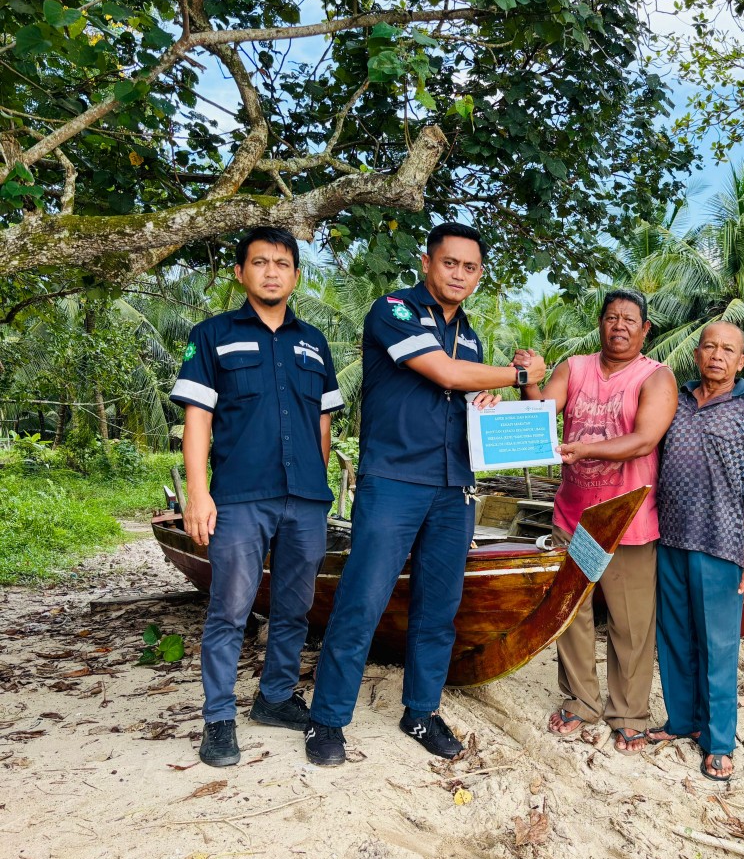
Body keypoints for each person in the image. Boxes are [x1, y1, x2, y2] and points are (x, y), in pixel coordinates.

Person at [305, 222, 546, 767]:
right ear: (427, 262)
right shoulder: (395, 310)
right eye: (449, 263)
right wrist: (515, 373)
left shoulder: (473, 336)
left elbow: (462, 385)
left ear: (479, 275)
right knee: (362, 600)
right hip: (393, 481)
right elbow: (441, 371)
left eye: (470, 267)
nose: (459, 274)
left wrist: (483, 399)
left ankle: (420, 710)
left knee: (439, 608)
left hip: (453, 486)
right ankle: (327, 719)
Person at [170, 226, 343, 768]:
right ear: (241, 272)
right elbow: (196, 419)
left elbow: (322, 426)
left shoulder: (314, 342)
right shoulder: (213, 335)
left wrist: (318, 491)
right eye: (261, 262)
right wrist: (198, 494)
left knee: (294, 608)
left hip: (305, 499)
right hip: (242, 497)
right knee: (230, 608)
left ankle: (273, 699)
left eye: (283, 263)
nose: (272, 271)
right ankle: (219, 719)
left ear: (295, 275)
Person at [518, 289, 678, 753]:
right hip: (576, 517)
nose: (620, 326)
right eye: (611, 318)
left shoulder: (656, 377)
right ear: (601, 324)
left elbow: (645, 440)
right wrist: (528, 378)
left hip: (625, 521)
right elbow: (541, 413)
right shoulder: (575, 367)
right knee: (572, 611)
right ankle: (581, 702)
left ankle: (629, 712)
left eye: (630, 319)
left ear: (645, 330)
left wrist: (583, 448)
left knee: (631, 623)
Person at [648, 321, 744, 781]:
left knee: (719, 646)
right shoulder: (674, 401)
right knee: (674, 638)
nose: (717, 356)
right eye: (710, 346)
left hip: (719, 545)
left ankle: (719, 741)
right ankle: (682, 721)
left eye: (728, 350)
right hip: (667, 539)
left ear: (741, 361)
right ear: (698, 353)